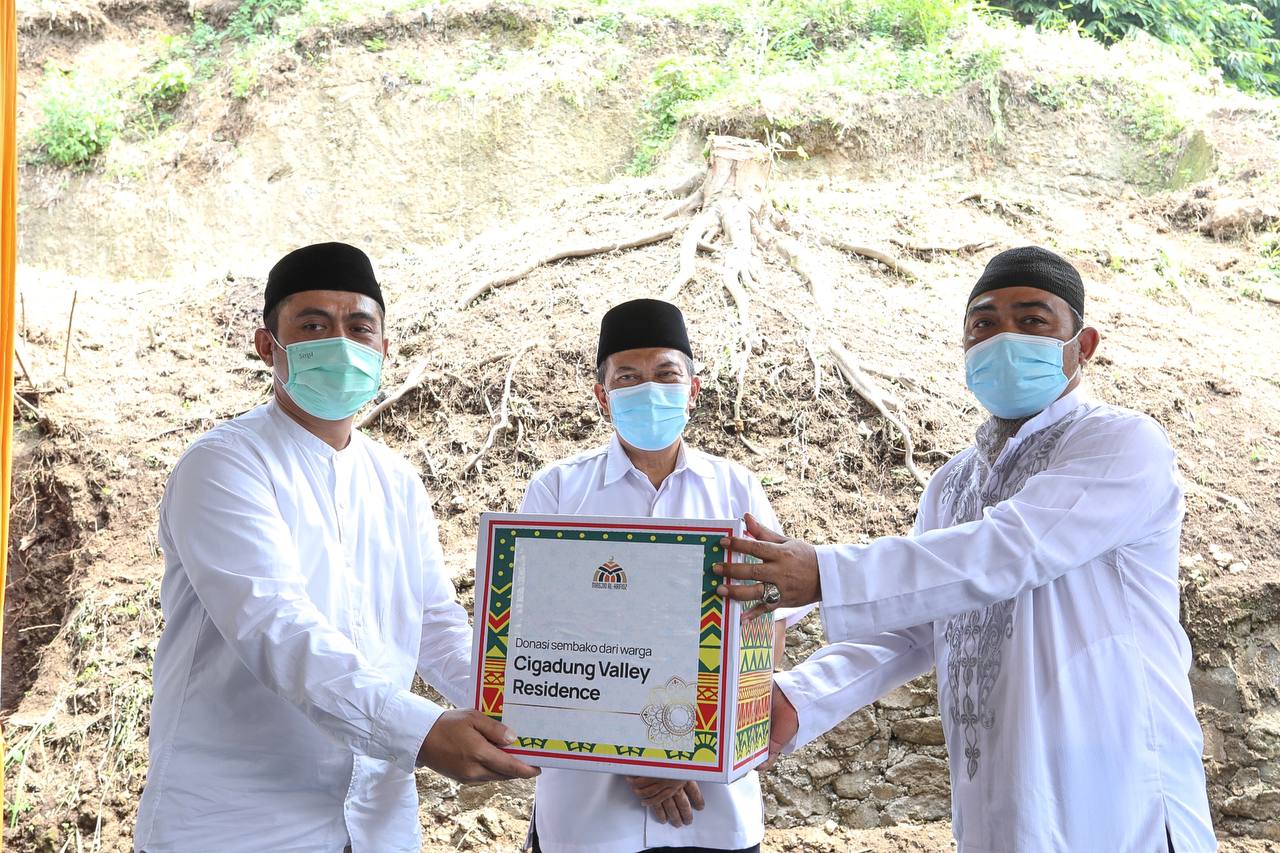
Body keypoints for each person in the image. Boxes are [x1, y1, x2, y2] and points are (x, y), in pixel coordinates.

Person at [714, 247, 1217, 852]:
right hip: (997, 789)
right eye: (984, 324)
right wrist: (799, 698)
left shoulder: (1120, 443)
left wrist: (824, 573)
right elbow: (919, 623)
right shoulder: (954, 483)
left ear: (1083, 346)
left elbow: (1011, 549)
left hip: (1115, 784)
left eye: (1032, 321)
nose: (1004, 338)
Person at [134, 242, 537, 853]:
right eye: (314, 325)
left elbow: (433, 622)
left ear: (383, 350)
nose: (341, 344)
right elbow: (275, 626)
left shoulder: (396, 479)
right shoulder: (223, 466)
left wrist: (539, 704)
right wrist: (423, 732)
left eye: (360, 327)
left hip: (375, 823)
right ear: (269, 346)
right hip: (236, 823)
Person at [519, 298, 811, 853]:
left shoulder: (736, 490)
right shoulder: (557, 492)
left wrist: (694, 752)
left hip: (713, 803)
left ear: (693, 389)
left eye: (665, 374)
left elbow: (765, 623)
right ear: (603, 396)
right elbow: (536, 640)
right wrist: (636, 753)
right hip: (588, 809)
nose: (648, 389)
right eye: (628, 378)